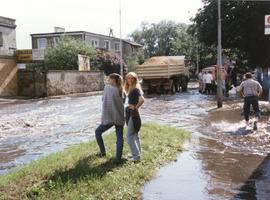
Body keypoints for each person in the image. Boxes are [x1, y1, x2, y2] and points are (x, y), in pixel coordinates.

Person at [95, 73, 125, 163]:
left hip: (109, 117)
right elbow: (122, 103)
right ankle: (118, 159)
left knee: (98, 132)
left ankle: (103, 152)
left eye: (109, 79)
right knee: (119, 137)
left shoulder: (107, 88)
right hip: (119, 116)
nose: (108, 80)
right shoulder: (122, 90)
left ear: (113, 80)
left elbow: (103, 99)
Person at [124, 72, 145, 161]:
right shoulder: (131, 88)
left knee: (129, 136)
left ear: (135, 79)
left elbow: (142, 100)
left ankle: (136, 157)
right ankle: (138, 153)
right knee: (135, 134)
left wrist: (135, 107)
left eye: (132, 78)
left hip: (133, 113)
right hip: (131, 113)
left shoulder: (135, 89)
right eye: (128, 78)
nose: (130, 80)